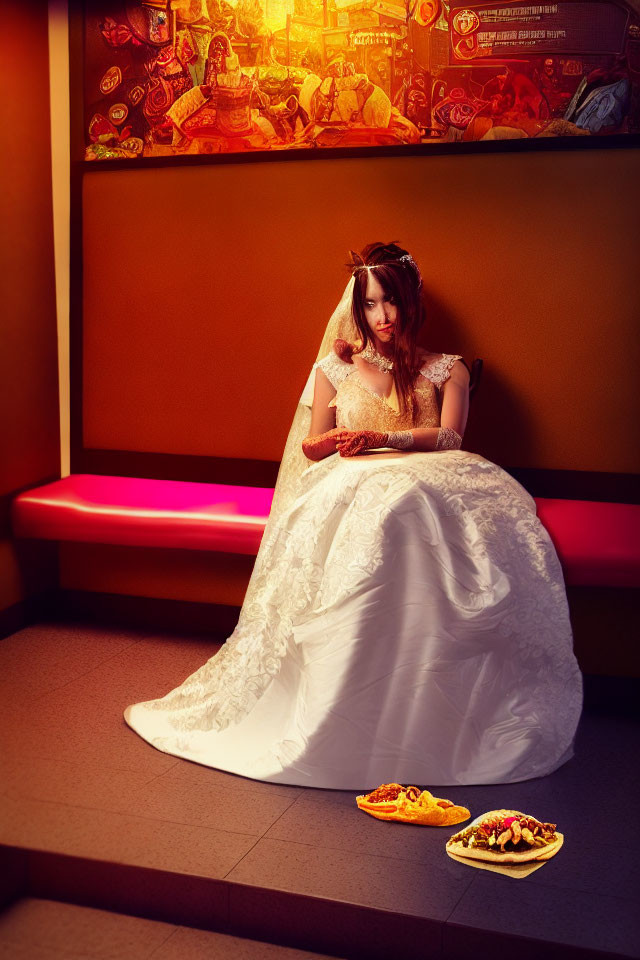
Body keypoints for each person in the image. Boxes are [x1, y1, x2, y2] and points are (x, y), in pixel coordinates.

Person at [124, 242, 582, 789]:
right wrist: (338, 441)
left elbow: (452, 436)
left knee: (404, 504)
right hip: (352, 478)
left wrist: (383, 438)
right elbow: (311, 445)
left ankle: (425, 707)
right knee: (381, 510)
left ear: (410, 299)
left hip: (431, 476)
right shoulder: (333, 367)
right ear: (357, 307)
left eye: (390, 300)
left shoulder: (449, 368)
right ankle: (349, 696)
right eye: (369, 304)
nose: (382, 315)